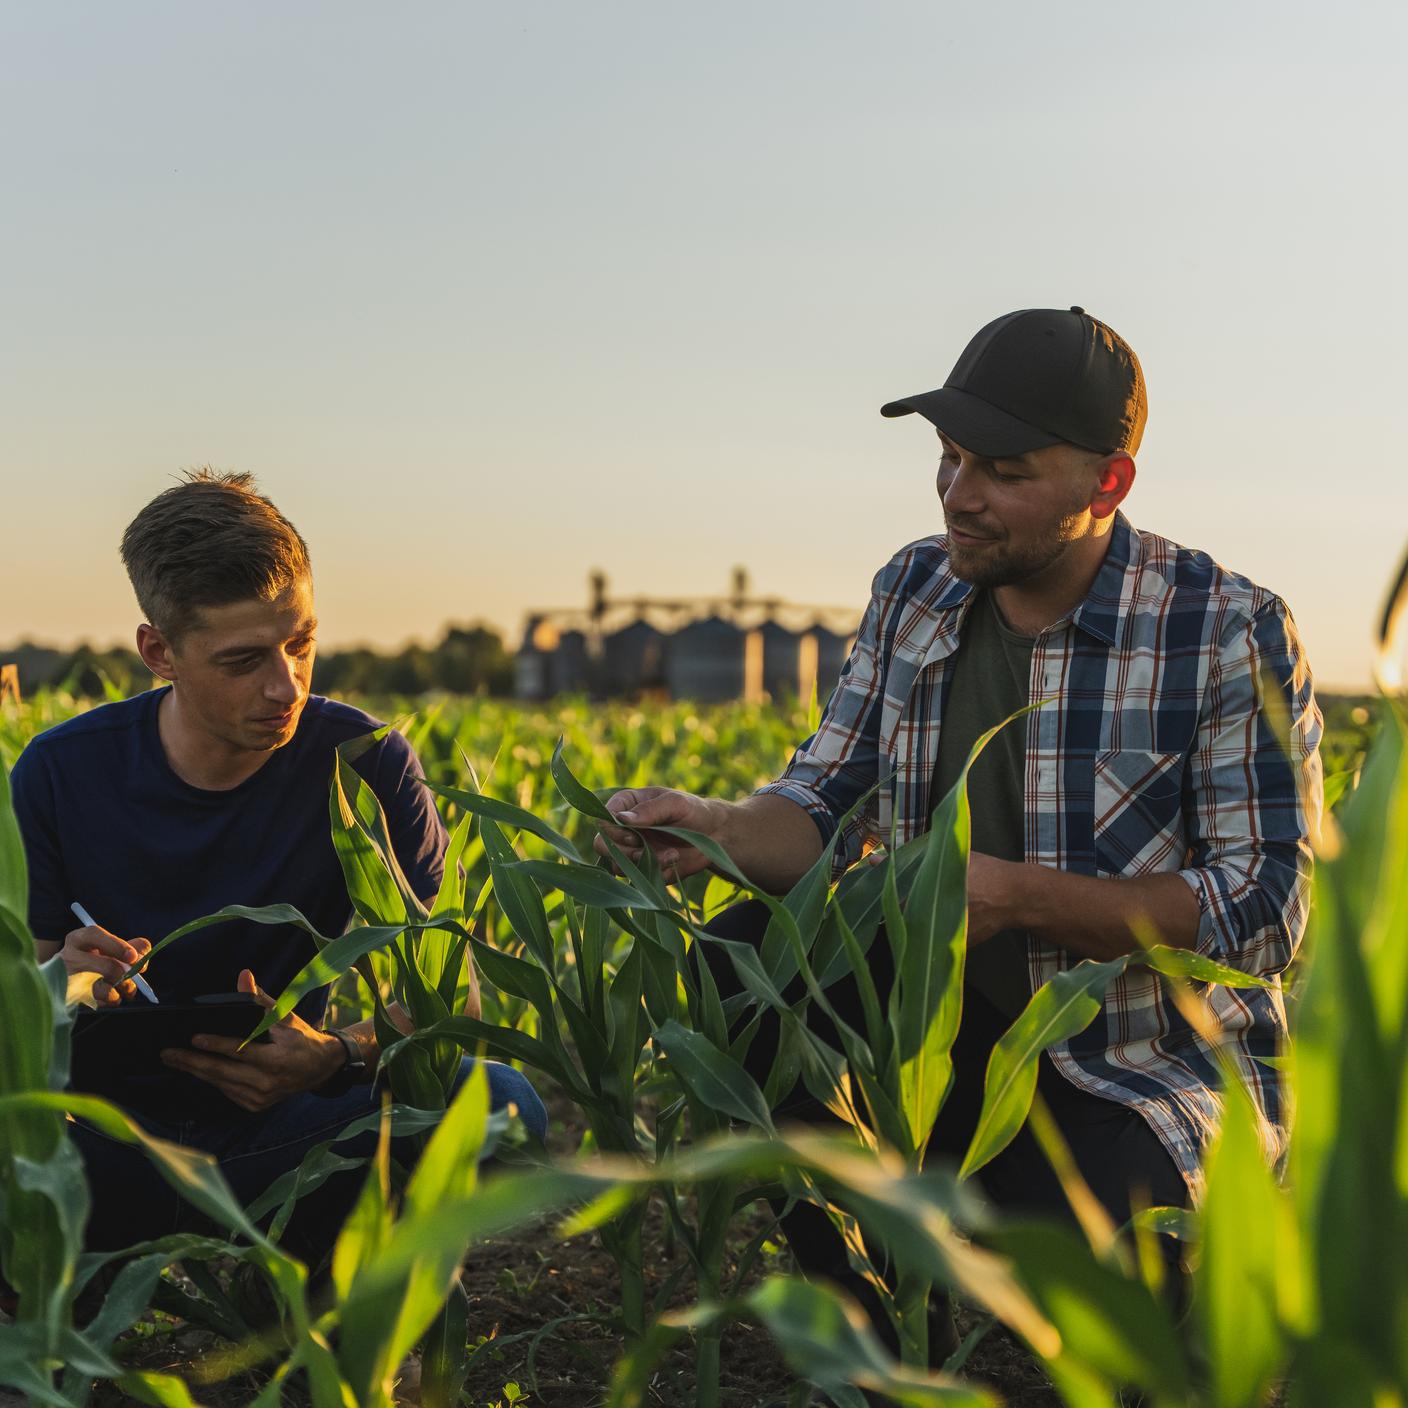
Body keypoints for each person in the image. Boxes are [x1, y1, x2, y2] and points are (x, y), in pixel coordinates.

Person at [596, 306, 1322, 1346]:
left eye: (1003, 470)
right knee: (747, 962)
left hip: (1127, 1060)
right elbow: (818, 801)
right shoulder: (915, 587)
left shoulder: (1223, 628)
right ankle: (873, 1336)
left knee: (1115, 1290)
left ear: (1106, 484)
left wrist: (1015, 898)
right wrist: (706, 825)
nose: (958, 496)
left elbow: (1265, 911)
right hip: (928, 1044)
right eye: (946, 458)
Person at [10, 469, 546, 1269]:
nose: (285, 685)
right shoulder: (61, 772)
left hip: (291, 1132)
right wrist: (61, 981)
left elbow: (447, 996)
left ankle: (337, 1281)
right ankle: (60, 1306)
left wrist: (337, 1056)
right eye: (243, 660)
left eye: (302, 643)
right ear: (159, 652)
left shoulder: (363, 763)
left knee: (501, 1103)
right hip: (98, 1146)